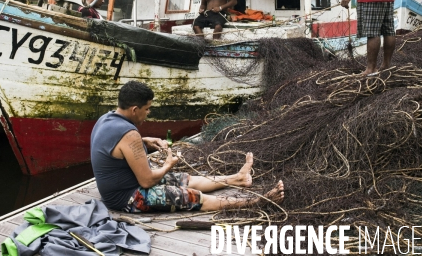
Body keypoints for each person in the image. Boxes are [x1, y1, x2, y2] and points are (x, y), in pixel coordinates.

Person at [90, 81, 284, 213]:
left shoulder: (107, 119)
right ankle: (257, 202)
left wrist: (145, 141)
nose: (148, 113)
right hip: (128, 198)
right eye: (147, 109)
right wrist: (168, 164)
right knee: (193, 196)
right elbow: (147, 181)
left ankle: (238, 179)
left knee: (185, 179)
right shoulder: (129, 134)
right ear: (134, 109)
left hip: (120, 186)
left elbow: (116, 146)